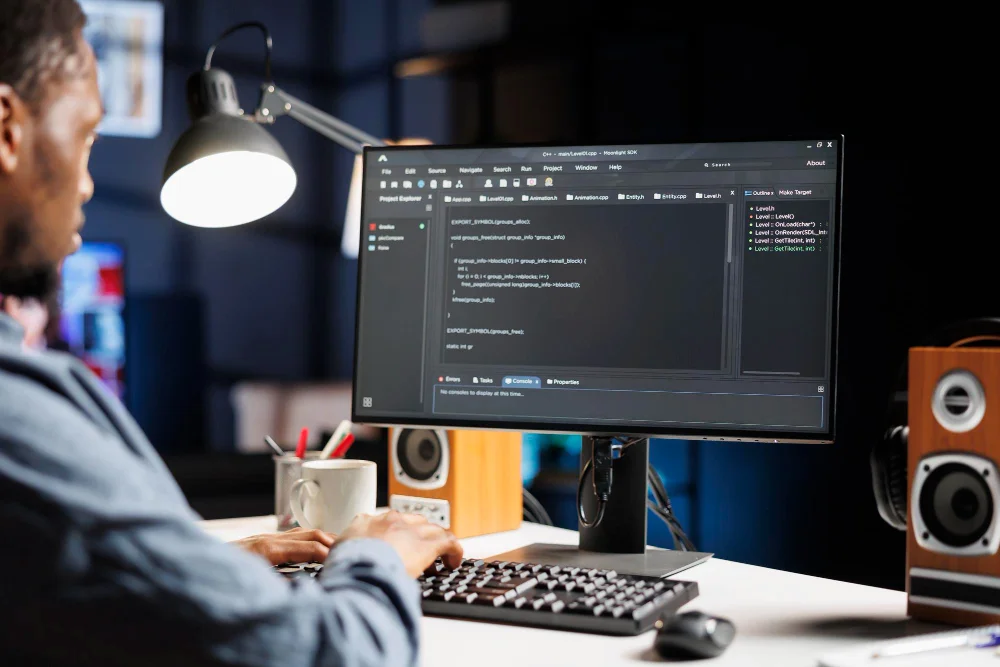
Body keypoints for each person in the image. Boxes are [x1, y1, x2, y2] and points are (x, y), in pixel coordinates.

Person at [0, 3, 462, 665]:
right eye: (87, 137)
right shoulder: (20, 414)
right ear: (7, 131)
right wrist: (375, 556)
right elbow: (331, 654)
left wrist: (197, 568)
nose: (87, 181)